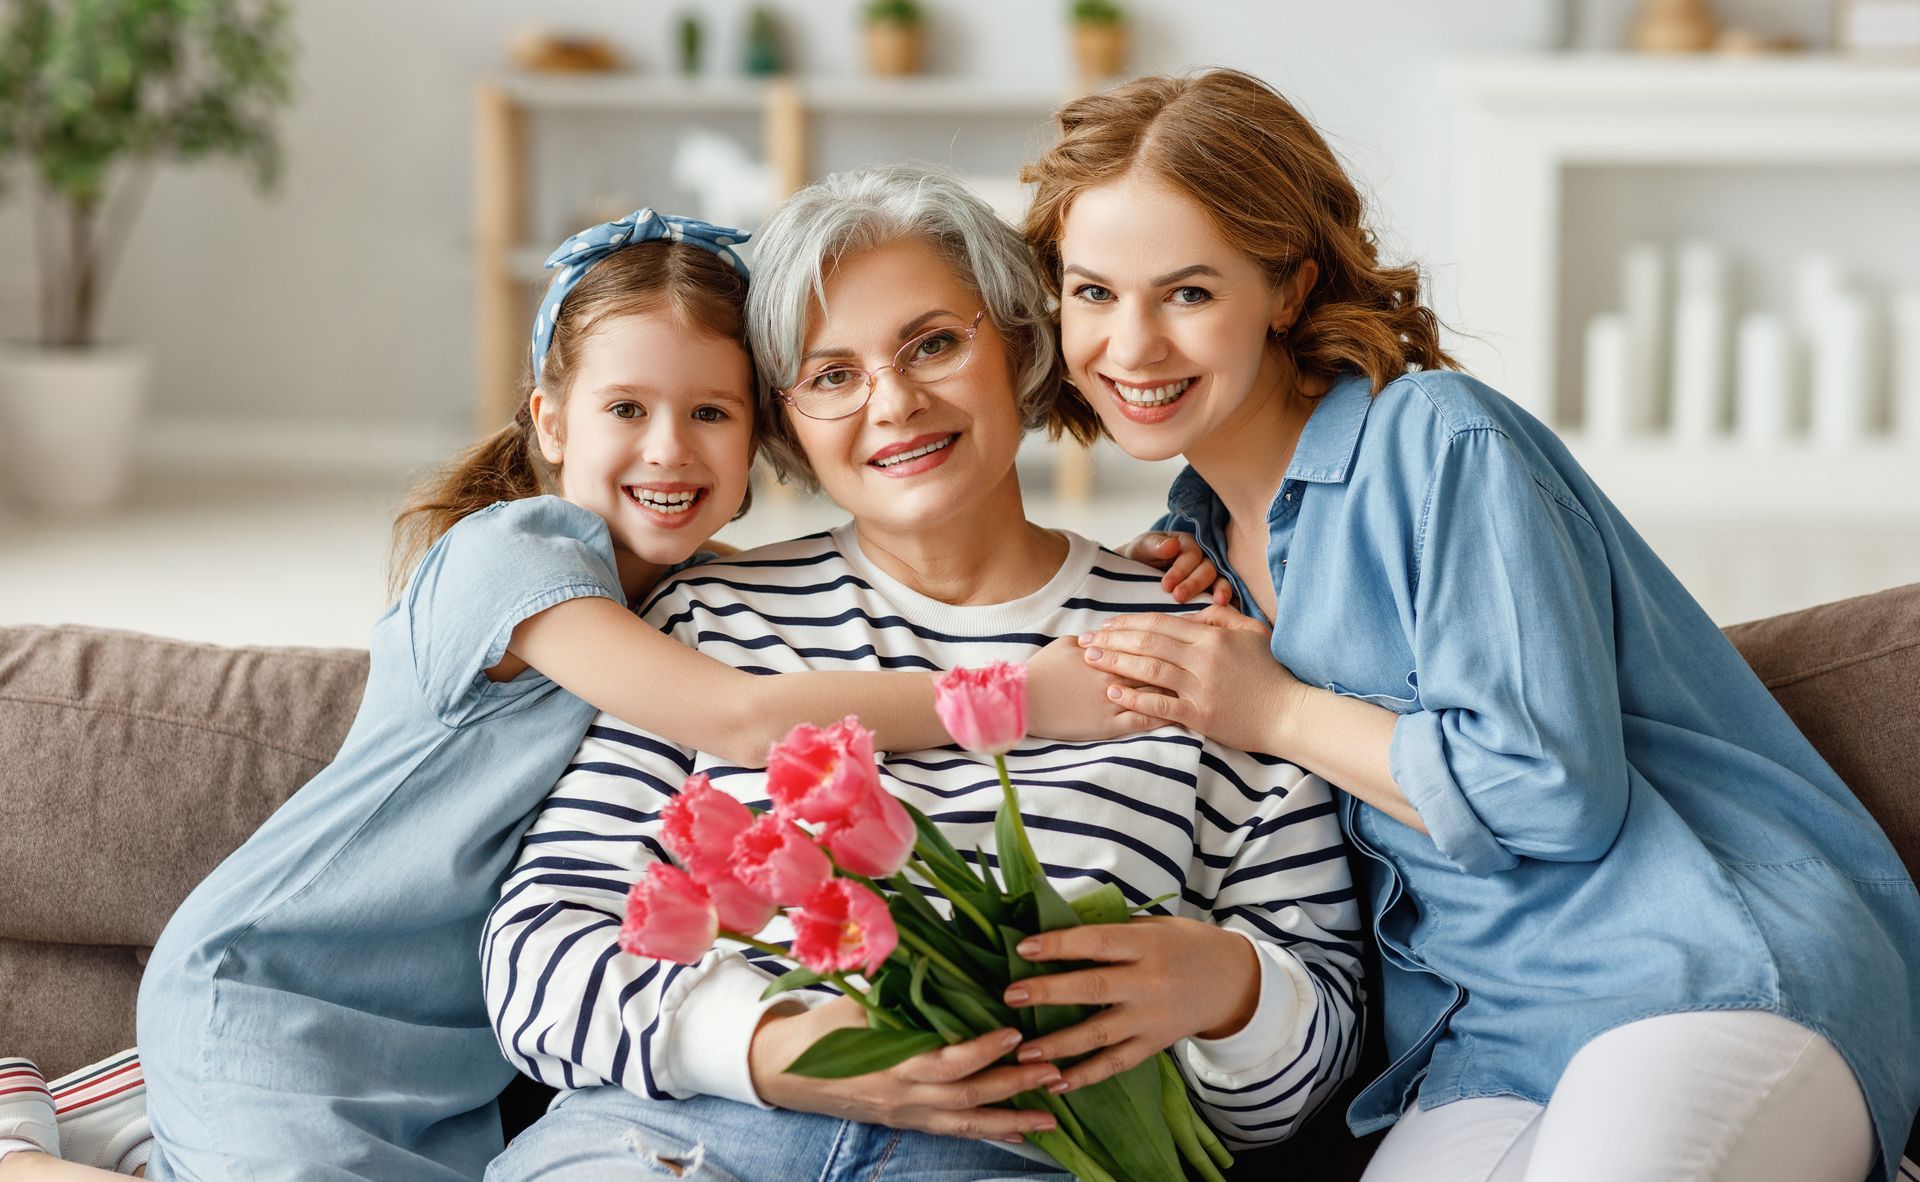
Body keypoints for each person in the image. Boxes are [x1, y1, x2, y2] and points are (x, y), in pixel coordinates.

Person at [0, 209, 1211, 1182]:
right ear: (549, 422)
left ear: (762, 445)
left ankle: (136, 1124)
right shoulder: (513, 556)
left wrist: (1175, 540)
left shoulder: (697, 591)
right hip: (283, 993)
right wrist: (1018, 693)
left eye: (710, 414)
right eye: (626, 410)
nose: (669, 450)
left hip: (448, 1053)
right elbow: (739, 718)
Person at [1018, 68, 1920, 1182]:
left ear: (1288, 289)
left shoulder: (1437, 440)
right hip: (1481, 1044)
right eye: (1093, 293)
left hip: (1697, 967)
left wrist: (1277, 709)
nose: (1132, 345)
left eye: (1189, 293)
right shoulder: (1193, 550)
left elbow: (1552, 789)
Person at [480, 164, 1364, 1182]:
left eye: (934, 345)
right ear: (788, 419)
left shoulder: (1196, 639)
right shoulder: (701, 623)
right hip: (680, 1139)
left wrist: (1233, 989)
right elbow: (536, 951)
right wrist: (777, 1053)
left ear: (1022, 349)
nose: (894, 403)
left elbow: (1320, 1046)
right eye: (832, 374)